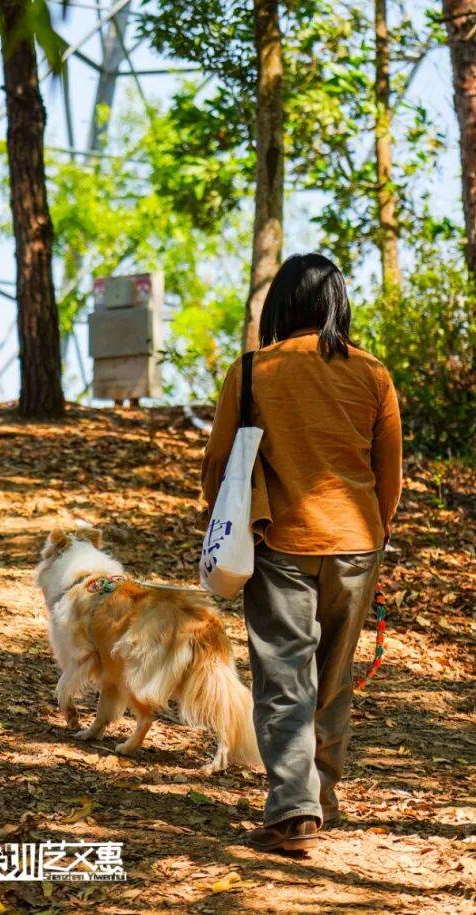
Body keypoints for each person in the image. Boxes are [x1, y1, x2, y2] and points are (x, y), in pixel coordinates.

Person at [201, 253, 402, 853]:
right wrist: (375, 530)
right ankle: (322, 797)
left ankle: (294, 808)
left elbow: (218, 465)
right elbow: (386, 471)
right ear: (337, 304)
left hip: (278, 539)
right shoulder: (372, 373)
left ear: (280, 307)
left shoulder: (254, 370)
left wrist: (221, 518)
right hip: (357, 542)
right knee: (333, 678)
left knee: (285, 674)